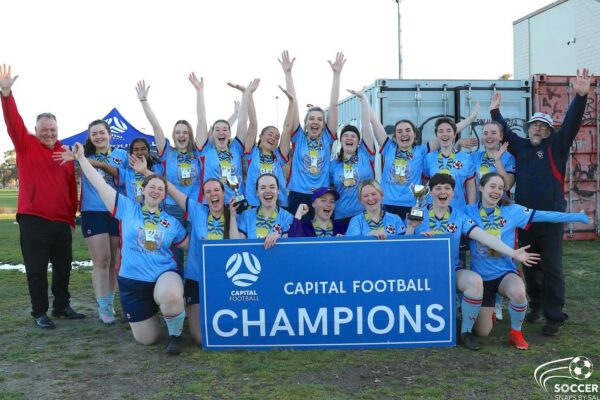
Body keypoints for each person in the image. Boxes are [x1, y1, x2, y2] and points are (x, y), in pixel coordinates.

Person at [490, 68, 591, 336]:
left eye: (542, 126)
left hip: (550, 217)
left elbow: (570, 123)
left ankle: (554, 317)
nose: (537, 128)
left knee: (553, 268)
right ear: (529, 128)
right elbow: (507, 135)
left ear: (548, 131)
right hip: (525, 218)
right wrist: (495, 113)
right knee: (530, 264)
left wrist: (580, 96)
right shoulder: (522, 147)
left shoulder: (556, 146)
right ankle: (535, 306)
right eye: (534, 124)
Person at [71, 142, 189, 355]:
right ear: (142, 190)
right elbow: (100, 185)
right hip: (133, 282)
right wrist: (81, 159)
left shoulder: (171, 222)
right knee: (147, 339)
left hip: (163, 275)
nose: (155, 190)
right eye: (151, 187)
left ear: (164, 196)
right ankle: (157, 311)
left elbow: (192, 246)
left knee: (172, 295)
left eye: (160, 189)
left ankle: (175, 336)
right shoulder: (127, 208)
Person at [404, 173, 539, 350]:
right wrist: (411, 229)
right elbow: (403, 248)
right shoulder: (418, 214)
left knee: (474, 281)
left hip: (451, 270)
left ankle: (465, 332)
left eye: (447, 188)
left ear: (453, 193)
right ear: (430, 192)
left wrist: (513, 253)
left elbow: (485, 237)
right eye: (438, 188)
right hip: (423, 273)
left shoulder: (459, 216)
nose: (443, 192)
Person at [0, 65, 85, 329]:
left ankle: (61, 305)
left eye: (53, 130)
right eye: (44, 129)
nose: (49, 134)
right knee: (36, 270)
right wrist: (6, 93)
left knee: (64, 267)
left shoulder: (67, 154)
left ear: (58, 130)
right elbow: (13, 121)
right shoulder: (26, 145)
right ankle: (40, 312)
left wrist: (72, 217)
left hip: (61, 222)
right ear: (36, 130)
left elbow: (72, 189)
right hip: (33, 219)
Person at [465, 173, 590, 349]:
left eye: (500, 188)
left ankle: (516, 333)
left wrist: (575, 217)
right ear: (480, 187)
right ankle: (489, 311)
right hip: (480, 279)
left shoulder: (512, 211)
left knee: (518, 292)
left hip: (504, 274)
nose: (496, 191)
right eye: (492, 186)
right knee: (483, 332)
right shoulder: (467, 211)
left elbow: (544, 215)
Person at [130, 153, 230, 345]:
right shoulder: (197, 210)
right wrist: (145, 172)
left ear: (223, 193)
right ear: (204, 196)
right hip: (197, 279)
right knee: (201, 339)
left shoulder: (234, 215)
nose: (213, 194)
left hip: (224, 279)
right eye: (208, 191)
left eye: (216, 190)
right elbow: (171, 189)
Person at [135, 80, 200, 273]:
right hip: (172, 209)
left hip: (195, 208)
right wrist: (144, 100)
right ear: (174, 134)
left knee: (197, 252)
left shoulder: (198, 155)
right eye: (178, 132)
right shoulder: (167, 153)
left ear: (190, 135)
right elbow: (155, 127)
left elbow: (207, 125)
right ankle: (175, 291)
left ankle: (195, 293)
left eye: (185, 132)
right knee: (174, 255)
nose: (181, 135)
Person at [372, 104, 479, 219]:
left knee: (411, 233)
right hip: (388, 204)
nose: (404, 134)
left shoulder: (421, 151)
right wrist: (363, 98)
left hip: (412, 205)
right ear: (394, 136)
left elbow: (446, 134)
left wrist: (470, 120)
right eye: (399, 131)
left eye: (408, 130)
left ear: (414, 134)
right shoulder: (390, 148)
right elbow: (375, 122)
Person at [279, 50, 345, 219]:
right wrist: (288, 73)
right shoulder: (299, 137)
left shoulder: (327, 138)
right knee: (295, 236)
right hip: (297, 194)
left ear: (324, 124)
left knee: (319, 237)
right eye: (312, 119)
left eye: (319, 119)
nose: (315, 122)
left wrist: (336, 75)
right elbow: (293, 102)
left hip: (321, 196)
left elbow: (334, 105)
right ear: (306, 122)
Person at [79, 120, 128, 324]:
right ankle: (103, 307)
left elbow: (125, 179)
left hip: (116, 211)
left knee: (114, 262)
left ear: (110, 135)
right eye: (94, 134)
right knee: (101, 260)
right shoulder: (82, 156)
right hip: (93, 212)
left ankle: (109, 302)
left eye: (101, 133)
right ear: (90, 137)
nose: (98, 137)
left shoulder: (122, 155)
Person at [469, 121, 516, 321]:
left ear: (500, 136)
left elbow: (507, 184)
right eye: (486, 133)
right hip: (478, 213)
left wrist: (497, 160)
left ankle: (497, 303)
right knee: (476, 254)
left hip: (500, 212)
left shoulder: (509, 157)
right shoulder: (475, 156)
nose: (489, 136)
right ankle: (475, 299)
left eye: (493, 133)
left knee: (500, 254)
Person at [192, 74, 258, 204]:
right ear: (212, 133)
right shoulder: (205, 151)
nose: (221, 132)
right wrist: (199, 91)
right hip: (212, 204)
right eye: (217, 129)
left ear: (229, 133)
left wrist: (245, 94)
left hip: (237, 203)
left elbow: (243, 122)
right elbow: (201, 119)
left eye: (225, 129)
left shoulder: (236, 149)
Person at [243, 84, 295, 208]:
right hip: (255, 206)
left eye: (277, 137)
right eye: (270, 134)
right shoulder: (251, 153)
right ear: (260, 136)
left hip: (278, 206)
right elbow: (253, 124)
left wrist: (292, 102)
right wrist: (249, 94)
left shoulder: (278, 156)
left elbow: (287, 128)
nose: (273, 138)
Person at [329, 88, 375, 227]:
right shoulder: (333, 165)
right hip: (340, 217)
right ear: (340, 140)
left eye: (353, 136)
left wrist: (363, 100)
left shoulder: (365, 154)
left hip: (366, 215)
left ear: (358, 141)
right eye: (346, 135)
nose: (349, 138)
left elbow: (366, 125)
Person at [423, 117, 477, 210]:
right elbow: (424, 184)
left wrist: (471, 210)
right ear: (436, 135)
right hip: (433, 210)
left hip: (458, 210)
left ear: (454, 134)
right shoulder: (429, 158)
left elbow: (471, 188)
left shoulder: (466, 158)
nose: (445, 134)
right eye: (441, 131)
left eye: (449, 130)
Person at [229, 173, 293, 249]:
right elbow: (236, 245)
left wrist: (279, 238)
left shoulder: (287, 217)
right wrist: (232, 215)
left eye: (272, 187)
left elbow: (288, 249)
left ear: (278, 191)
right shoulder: (246, 215)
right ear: (257, 193)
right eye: (263, 188)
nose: (268, 191)